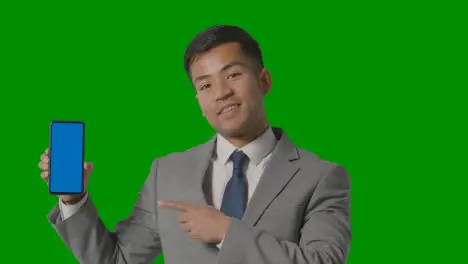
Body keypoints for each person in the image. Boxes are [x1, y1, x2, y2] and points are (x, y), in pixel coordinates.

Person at [38, 25, 352, 264]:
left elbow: (324, 260)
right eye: (205, 85)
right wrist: (73, 198)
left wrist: (227, 232)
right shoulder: (167, 173)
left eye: (232, 75)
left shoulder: (321, 177)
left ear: (264, 80)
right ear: (199, 103)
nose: (221, 92)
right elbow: (116, 259)